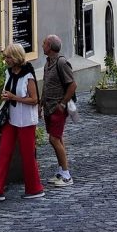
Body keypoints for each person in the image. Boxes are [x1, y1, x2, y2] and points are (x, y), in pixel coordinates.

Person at [0, 43, 45, 201]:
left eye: (8, 57)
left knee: (28, 155)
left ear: (16, 57)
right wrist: (5, 96)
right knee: (4, 152)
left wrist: (13, 97)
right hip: (11, 119)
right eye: (5, 57)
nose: (5, 60)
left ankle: (34, 188)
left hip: (26, 120)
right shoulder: (8, 72)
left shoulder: (28, 75)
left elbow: (34, 100)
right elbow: (8, 91)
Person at [40, 34, 76, 187]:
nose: (42, 46)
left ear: (49, 46)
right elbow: (46, 86)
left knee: (53, 139)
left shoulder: (61, 63)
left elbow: (72, 85)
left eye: (44, 43)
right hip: (49, 107)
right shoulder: (48, 63)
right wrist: (40, 104)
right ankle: (61, 171)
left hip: (57, 107)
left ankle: (67, 175)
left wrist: (62, 104)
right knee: (57, 138)